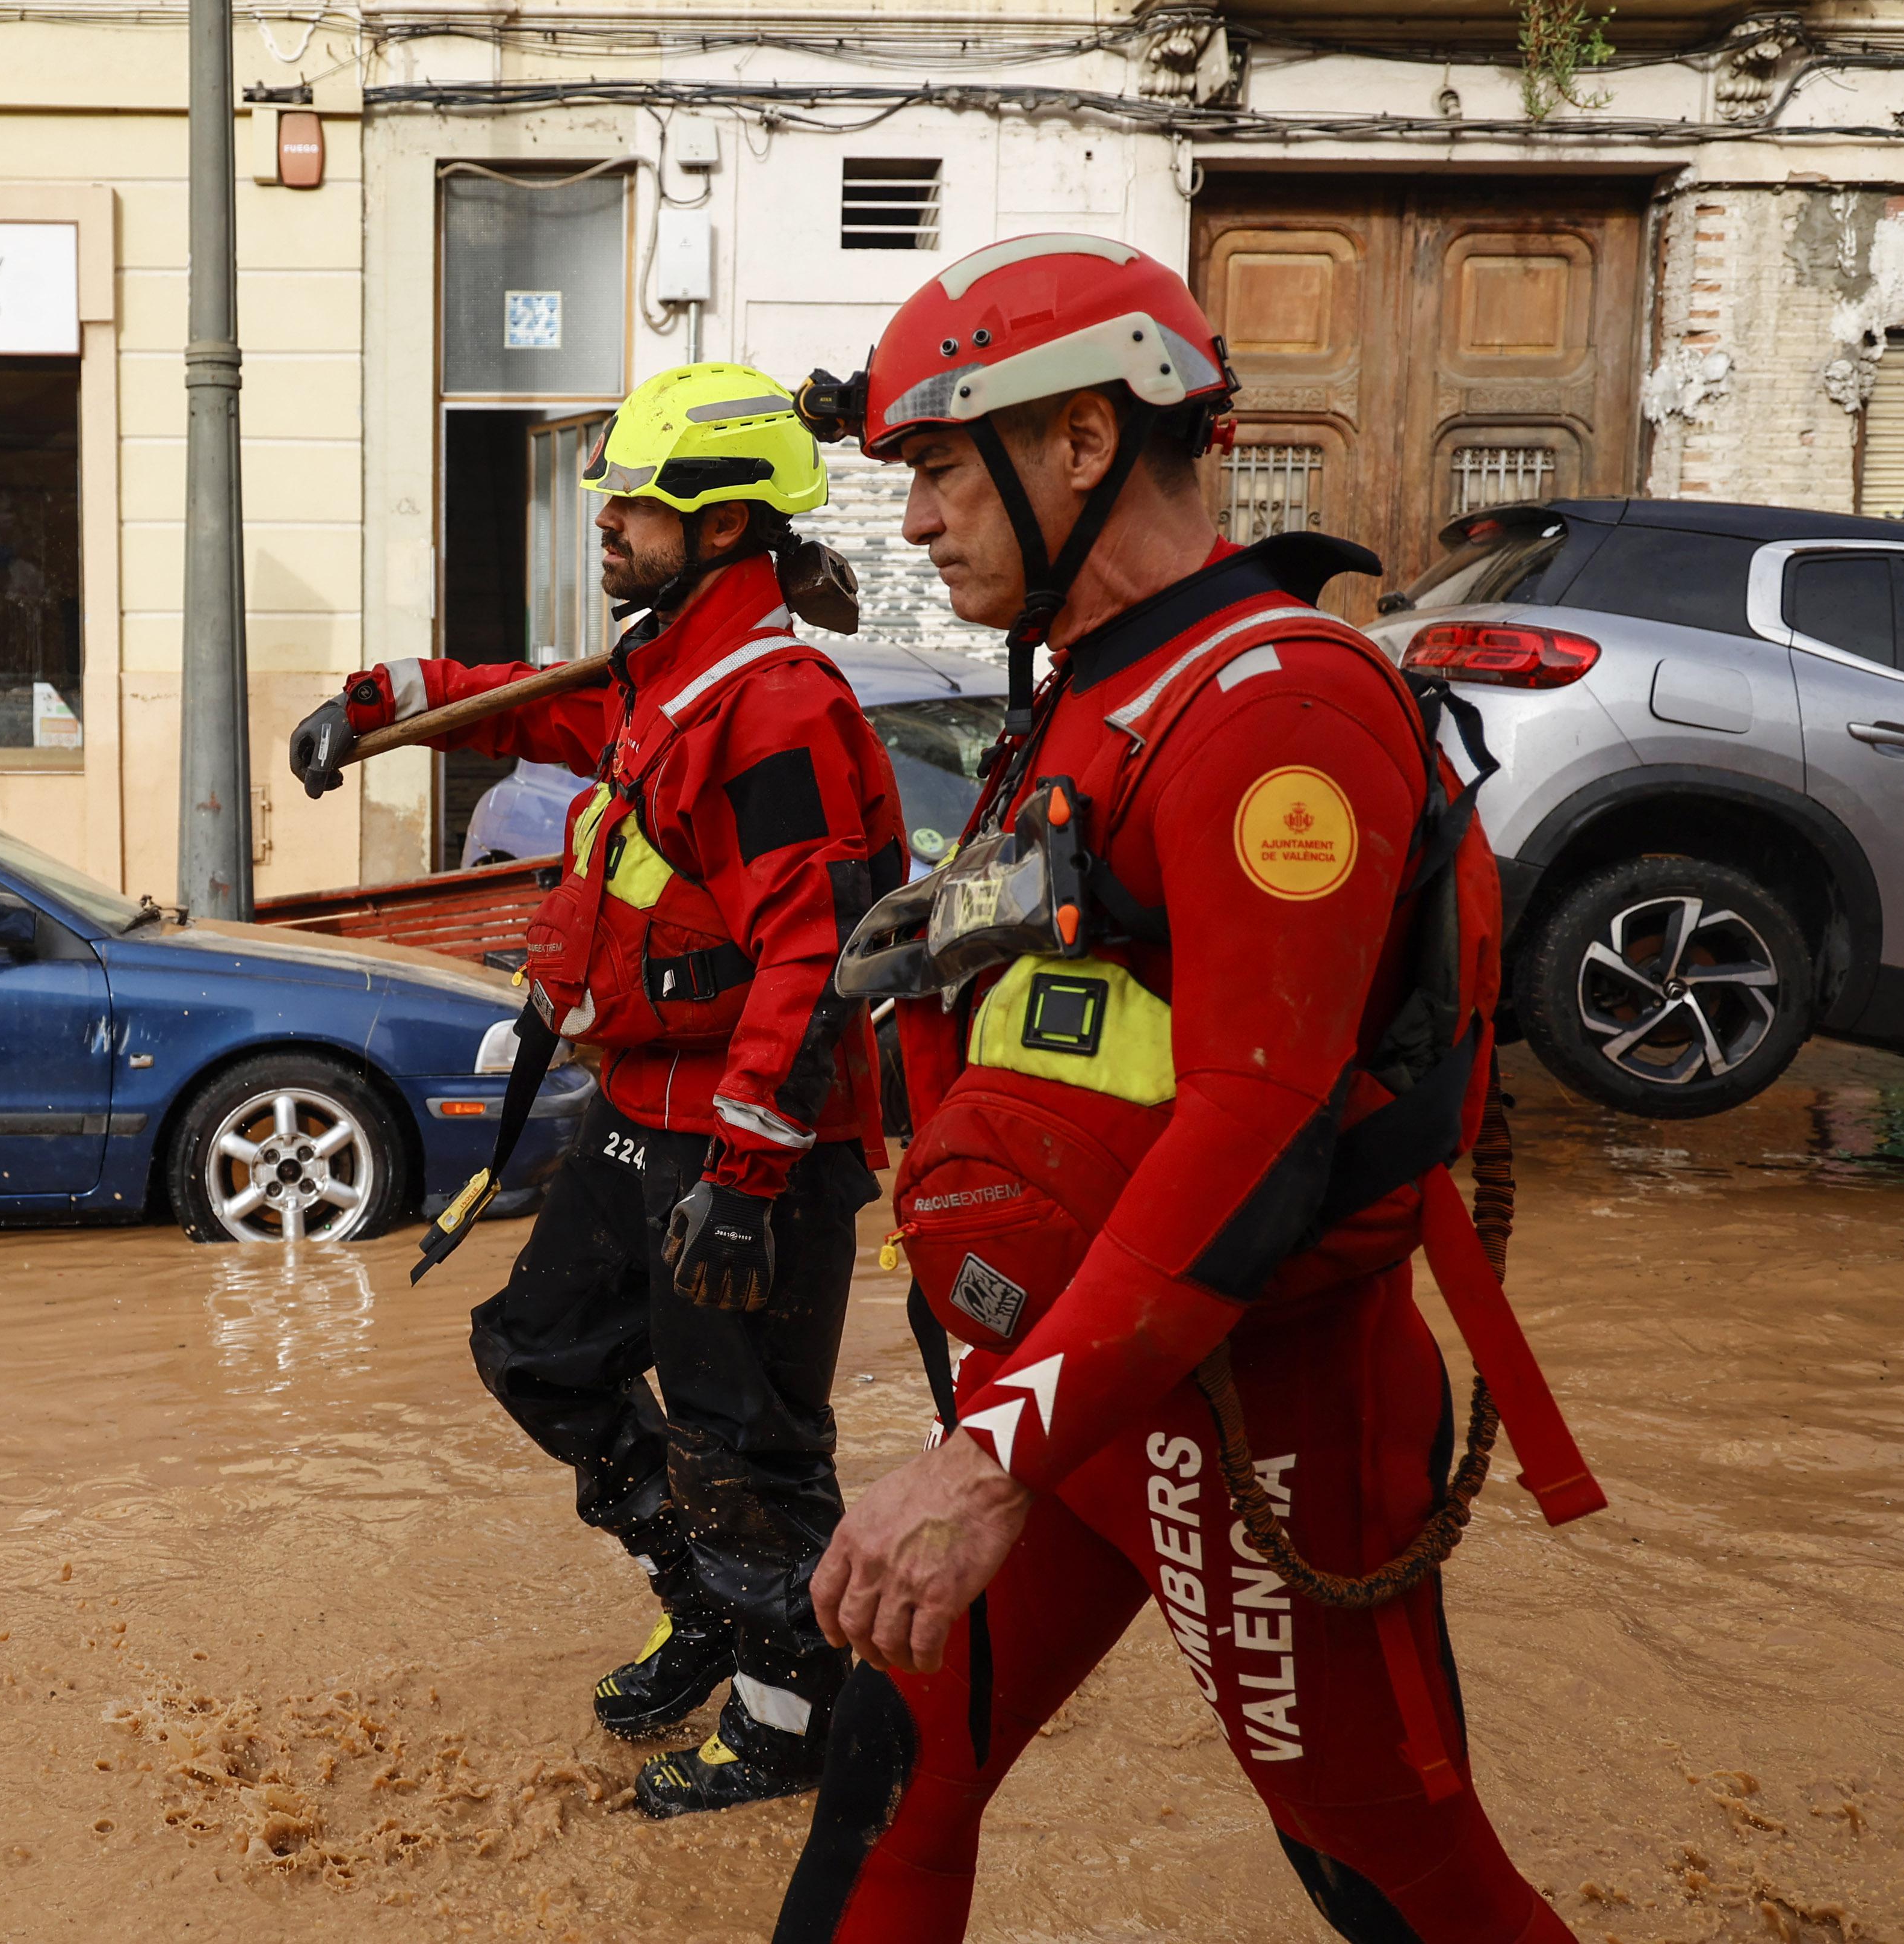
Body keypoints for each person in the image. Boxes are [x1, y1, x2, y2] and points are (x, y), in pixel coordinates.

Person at [771, 236, 1587, 1942]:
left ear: (1078, 444)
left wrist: (988, 1454)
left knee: (1385, 1855)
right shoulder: (1090, 688)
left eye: (935, 467)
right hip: (1082, 1377)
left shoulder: (1271, 707)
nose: (913, 523)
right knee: (893, 1764)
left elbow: (1257, 1120)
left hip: (1259, 1401)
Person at [287, 364, 905, 1816]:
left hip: (747, 1153)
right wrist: (371, 703)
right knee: (540, 1352)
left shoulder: (775, 706)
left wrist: (746, 1184)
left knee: (746, 1441)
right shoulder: (672, 674)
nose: (606, 521)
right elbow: (528, 706)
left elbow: (810, 955)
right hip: (646, 1117)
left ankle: (788, 1723)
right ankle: (705, 1597)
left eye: (634, 501)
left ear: (723, 520)